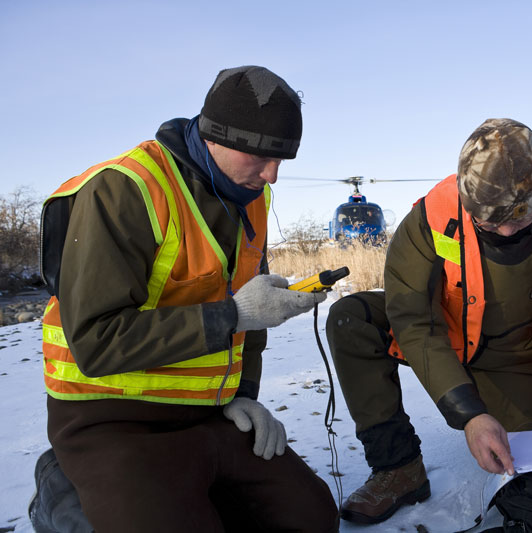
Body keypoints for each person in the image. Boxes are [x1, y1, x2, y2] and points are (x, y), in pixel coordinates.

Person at [30, 65, 339, 533]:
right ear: (215, 135)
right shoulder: (125, 190)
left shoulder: (250, 195)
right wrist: (233, 314)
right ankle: (61, 487)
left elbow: (250, 310)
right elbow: (95, 342)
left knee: (311, 519)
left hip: (208, 414)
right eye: (260, 156)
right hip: (111, 422)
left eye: (283, 159)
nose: (272, 175)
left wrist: (242, 398)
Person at [326, 118, 532, 524]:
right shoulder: (429, 219)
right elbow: (412, 319)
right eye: (490, 222)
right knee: (351, 317)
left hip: (516, 360)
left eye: (520, 219)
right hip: (442, 342)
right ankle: (397, 468)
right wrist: (469, 414)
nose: (506, 230)